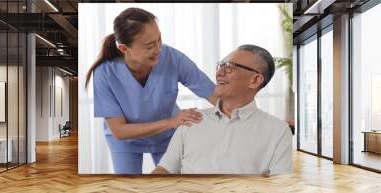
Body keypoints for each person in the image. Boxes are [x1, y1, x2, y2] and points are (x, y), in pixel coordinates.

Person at [85, 8, 218, 174]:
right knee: (130, 190)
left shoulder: (173, 58)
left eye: (159, 40)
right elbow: (119, 131)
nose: (158, 49)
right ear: (124, 49)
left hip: (167, 137)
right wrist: (171, 122)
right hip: (126, 141)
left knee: (171, 186)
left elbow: (213, 94)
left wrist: (238, 115)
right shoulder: (104, 74)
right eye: (149, 45)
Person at [152, 44, 293, 175]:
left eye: (230, 66)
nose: (219, 72)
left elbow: (280, 185)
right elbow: (165, 169)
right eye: (220, 65)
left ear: (255, 80)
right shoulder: (191, 120)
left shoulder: (278, 131)